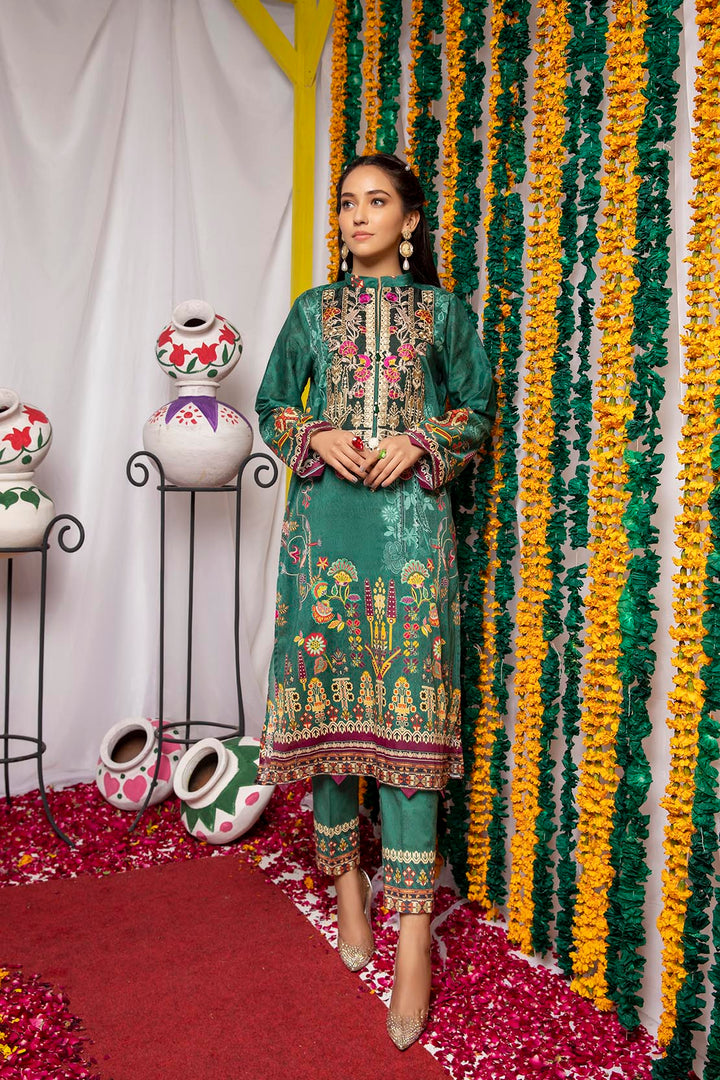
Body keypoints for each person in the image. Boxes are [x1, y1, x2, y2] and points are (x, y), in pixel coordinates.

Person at [255, 152, 495, 1050]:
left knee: (407, 725)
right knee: (329, 709)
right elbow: (272, 402)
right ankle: (348, 888)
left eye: (377, 201)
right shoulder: (313, 312)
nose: (358, 216)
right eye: (348, 203)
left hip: (410, 542)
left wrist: (423, 441)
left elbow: (476, 408)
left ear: (410, 220)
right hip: (324, 534)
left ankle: (413, 935)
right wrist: (314, 431)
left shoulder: (444, 314)